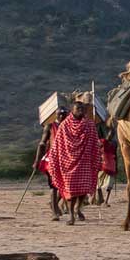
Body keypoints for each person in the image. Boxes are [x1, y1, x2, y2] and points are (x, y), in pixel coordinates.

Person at [46, 97, 104, 226]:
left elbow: (95, 143)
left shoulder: (89, 125)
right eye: (78, 109)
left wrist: (97, 159)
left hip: (84, 162)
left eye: (83, 109)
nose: (81, 111)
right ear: (72, 110)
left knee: (83, 189)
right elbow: (57, 145)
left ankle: (78, 208)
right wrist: (54, 159)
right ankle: (71, 214)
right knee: (71, 190)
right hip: (67, 163)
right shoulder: (64, 126)